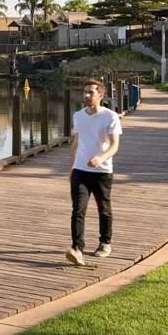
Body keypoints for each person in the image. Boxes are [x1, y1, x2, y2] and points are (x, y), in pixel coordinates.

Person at [65, 79, 122, 266]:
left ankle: (105, 242)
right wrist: (72, 167)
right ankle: (77, 249)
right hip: (80, 170)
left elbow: (114, 146)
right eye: (85, 92)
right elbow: (76, 143)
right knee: (78, 209)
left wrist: (101, 158)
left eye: (91, 92)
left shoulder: (110, 117)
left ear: (101, 95)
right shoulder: (78, 116)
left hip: (102, 171)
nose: (87, 95)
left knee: (103, 209)